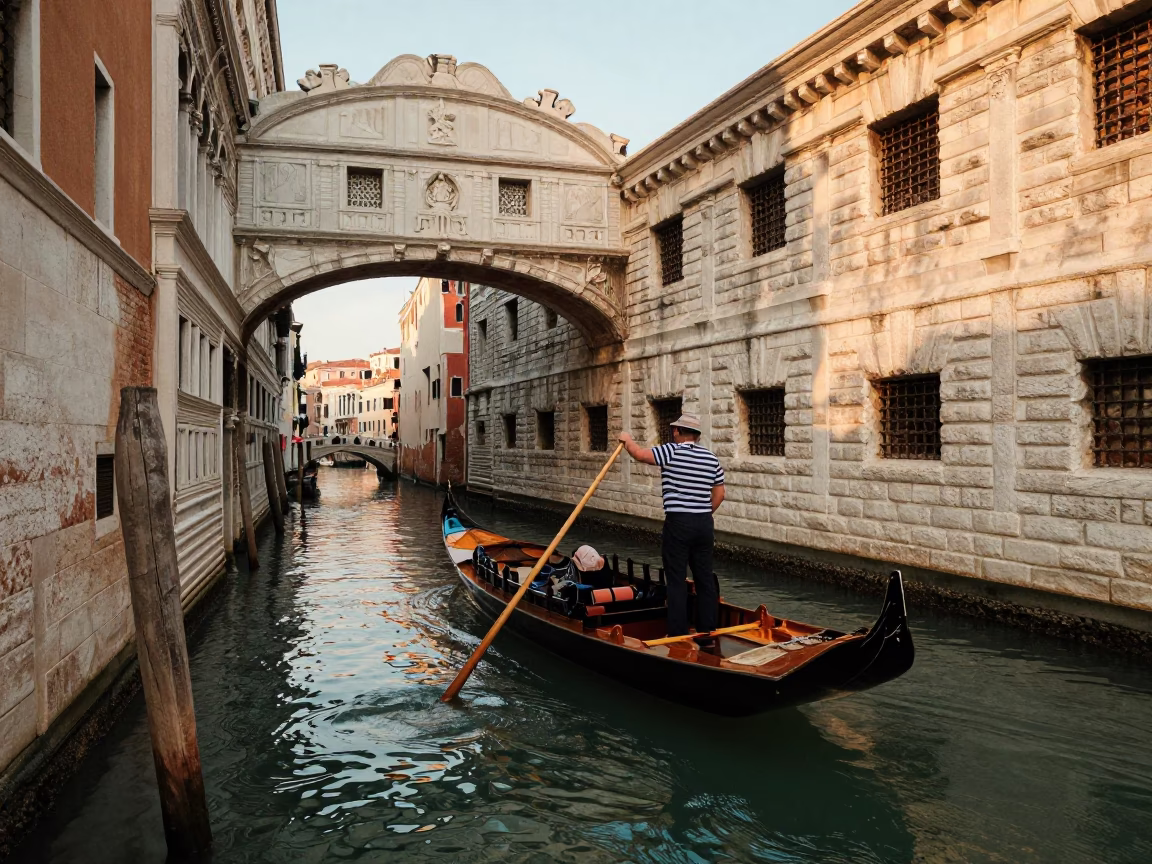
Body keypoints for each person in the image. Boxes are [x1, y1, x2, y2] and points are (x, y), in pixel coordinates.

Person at [618, 412, 725, 638]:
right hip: (704, 524)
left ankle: (678, 633)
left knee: (676, 579)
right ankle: (708, 629)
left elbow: (640, 455)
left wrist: (627, 440)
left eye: (673, 430)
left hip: (679, 523)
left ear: (678, 432)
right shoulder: (711, 458)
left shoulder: (670, 451)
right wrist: (703, 512)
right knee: (704, 577)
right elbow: (720, 493)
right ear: (696, 435)